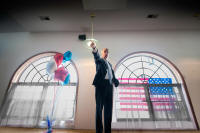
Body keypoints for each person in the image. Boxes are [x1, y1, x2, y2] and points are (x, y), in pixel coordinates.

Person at [90, 42, 119, 133]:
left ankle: (107, 131)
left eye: (107, 52)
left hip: (109, 87)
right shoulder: (100, 61)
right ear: (102, 53)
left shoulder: (110, 64)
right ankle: (99, 131)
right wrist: (94, 48)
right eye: (105, 52)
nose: (106, 53)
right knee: (99, 109)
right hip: (101, 86)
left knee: (108, 110)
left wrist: (116, 81)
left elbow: (112, 75)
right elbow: (96, 56)